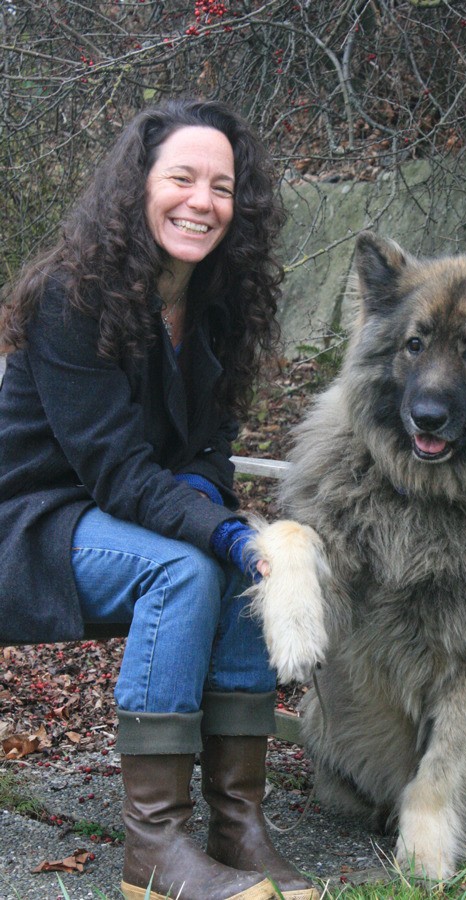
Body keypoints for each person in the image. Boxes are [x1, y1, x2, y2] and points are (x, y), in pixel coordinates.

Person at [0, 99, 318, 900]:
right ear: (138, 186)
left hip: (124, 517)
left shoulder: (217, 303)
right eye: (181, 177)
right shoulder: (71, 298)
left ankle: (238, 825)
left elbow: (208, 449)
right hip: (34, 524)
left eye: (221, 185)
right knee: (187, 567)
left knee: (248, 568)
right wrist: (223, 532)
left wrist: (216, 510)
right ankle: (153, 850)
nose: (201, 201)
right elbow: (116, 474)